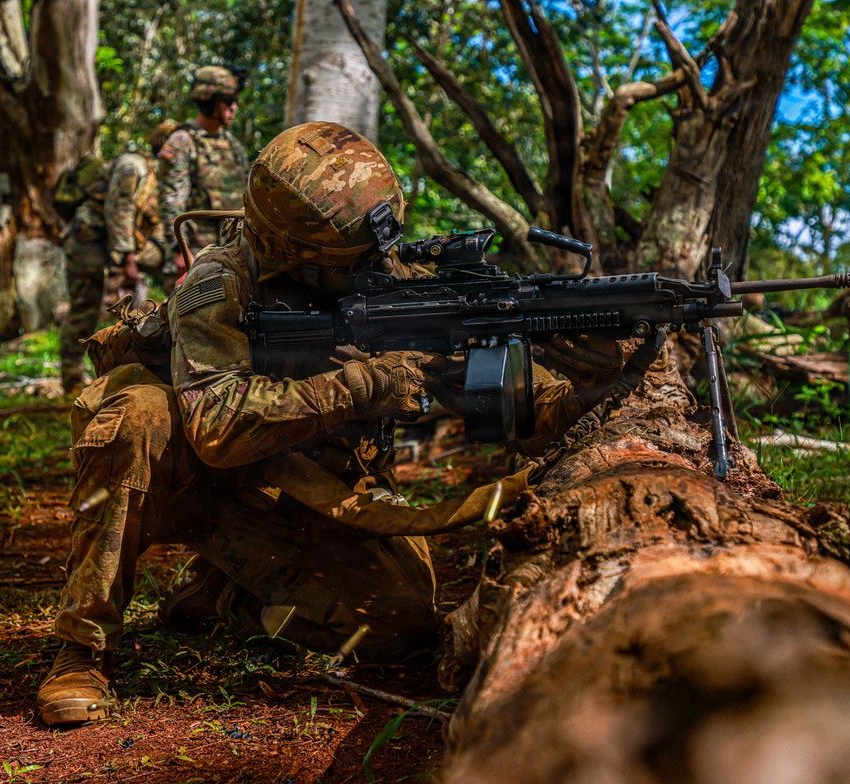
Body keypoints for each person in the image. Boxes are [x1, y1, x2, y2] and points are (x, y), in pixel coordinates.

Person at [36, 121, 625, 727]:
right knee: (138, 416)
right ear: (292, 251)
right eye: (353, 261)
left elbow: (500, 390)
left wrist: (580, 388)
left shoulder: (390, 279)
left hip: (302, 494)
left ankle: (228, 594)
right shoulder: (218, 283)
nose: (379, 265)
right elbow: (216, 428)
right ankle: (83, 648)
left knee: (401, 623)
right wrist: (364, 385)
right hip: (187, 482)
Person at [59, 122, 177, 396]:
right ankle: (71, 379)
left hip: (113, 244)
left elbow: (151, 220)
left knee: (172, 267)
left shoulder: (158, 176)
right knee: (84, 307)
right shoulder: (132, 166)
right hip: (87, 242)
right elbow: (118, 210)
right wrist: (127, 259)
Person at [158, 65, 250, 294]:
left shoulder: (234, 147)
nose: (234, 107)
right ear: (209, 101)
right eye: (228, 101)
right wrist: (180, 250)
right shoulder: (183, 142)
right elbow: (171, 201)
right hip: (195, 252)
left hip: (231, 252)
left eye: (235, 100)